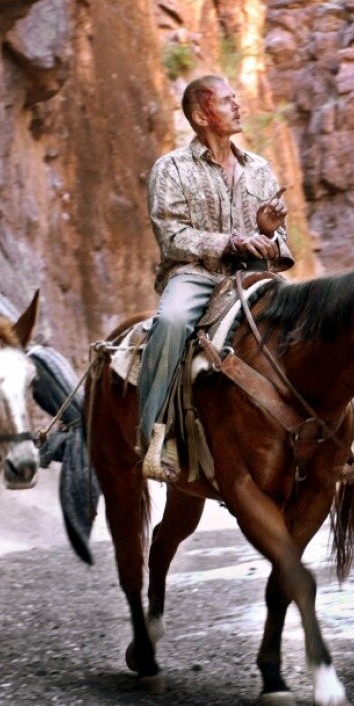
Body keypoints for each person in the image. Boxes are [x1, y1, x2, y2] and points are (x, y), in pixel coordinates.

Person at [137, 74, 294, 476]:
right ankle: (157, 436)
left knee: (312, 319)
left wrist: (267, 231)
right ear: (201, 115)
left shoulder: (259, 169)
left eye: (235, 99)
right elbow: (172, 236)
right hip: (195, 275)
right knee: (171, 322)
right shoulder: (170, 169)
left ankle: (347, 440)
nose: (238, 106)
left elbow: (280, 243)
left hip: (253, 278)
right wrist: (232, 242)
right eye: (227, 101)